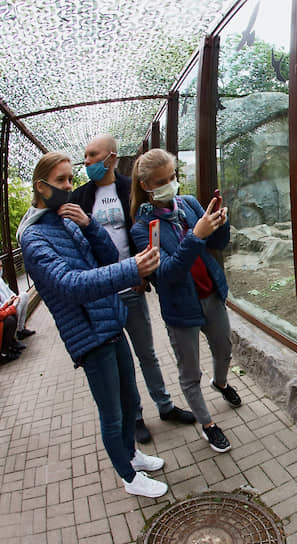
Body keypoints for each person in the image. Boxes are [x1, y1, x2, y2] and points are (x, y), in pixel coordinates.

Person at [18, 151, 168, 498]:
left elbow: (105, 258)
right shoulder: (34, 239)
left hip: (111, 320)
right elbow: (70, 284)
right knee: (112, 413)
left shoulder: (69, 221)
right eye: (60, 181)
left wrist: (89, 224)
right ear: (41, 186)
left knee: (130, 402)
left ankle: (132, 455)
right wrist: (133, 269)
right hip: (89, 334)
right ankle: (128, 478)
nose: (69, 186)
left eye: (71, 179)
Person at [71, 134, 195, 444]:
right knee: (120, 361)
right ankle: (136, 415)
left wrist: (145, 274)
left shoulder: (131, 190)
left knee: (147, 354)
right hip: (103, 292)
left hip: (133, 285)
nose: (87, 162)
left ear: (110, 158)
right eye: (85, 156)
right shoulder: (80, 198)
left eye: (92, 155)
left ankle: (165, 406)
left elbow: (149, 234)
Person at [129, 149, 240, 453]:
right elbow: (165, 274)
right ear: (146, 186)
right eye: (162, 181)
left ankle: (221, 383)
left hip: (211, 294)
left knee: (224, 349)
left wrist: (220, 223)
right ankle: (208, 425)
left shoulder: (189, 204)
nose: (170, 184)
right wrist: (195, 235)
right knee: (190, 372)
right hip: (181, 308)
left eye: (173, 177)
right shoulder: (142, 230)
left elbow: (217, 244)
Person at [0, 252, 36, 341]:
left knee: (24, 296)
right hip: (2, 309)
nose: (0, 269)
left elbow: (7, 291)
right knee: (16, 307)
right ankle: (15, 334)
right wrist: (10, 301)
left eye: (1, 266)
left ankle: (20, 329)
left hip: (8, 303)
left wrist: (14, 297)